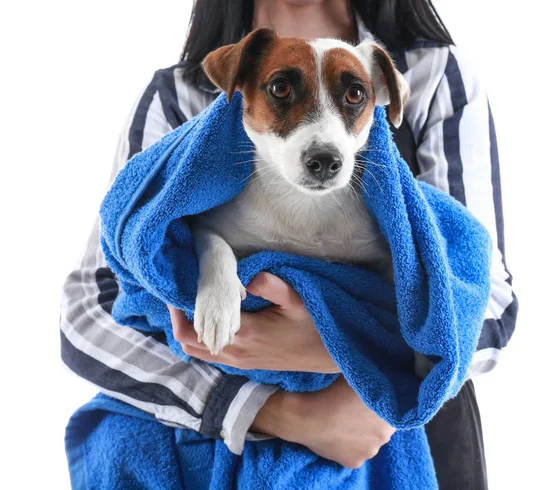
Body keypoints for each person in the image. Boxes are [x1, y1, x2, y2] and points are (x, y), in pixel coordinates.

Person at [60, 0, 518, 488]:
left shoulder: (435, 74)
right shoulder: (177, 94)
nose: (320, 139)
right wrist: (269, 410)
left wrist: (337, 347)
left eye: (352, 97)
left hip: (393, 431)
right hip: (203, 440)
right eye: (281, 89)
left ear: (379, 97)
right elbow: (93, 307)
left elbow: (485, 300)